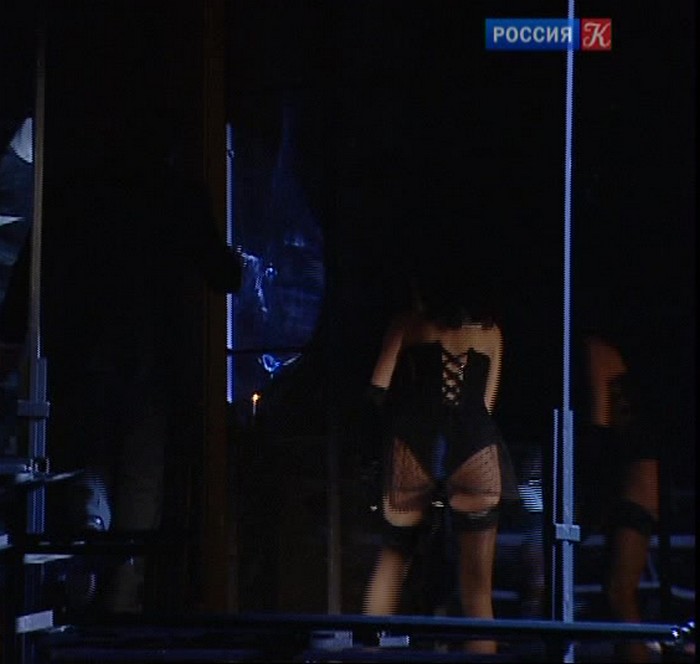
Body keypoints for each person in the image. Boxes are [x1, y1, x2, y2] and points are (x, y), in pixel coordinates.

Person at [361, 262, 519, 655]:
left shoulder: (407, 324)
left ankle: (365, 654)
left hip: (414, 443)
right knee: (477, 591)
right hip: (475, 447)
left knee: (393, 559)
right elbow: (486, 405)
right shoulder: (491, 333)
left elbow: (376, 392)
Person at [575, 330, 661, 663]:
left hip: (632, 487)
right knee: (619, 593)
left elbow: (599, 427)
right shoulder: (622, 360)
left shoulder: (598, 352)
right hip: (634, 484)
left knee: (619, 593)